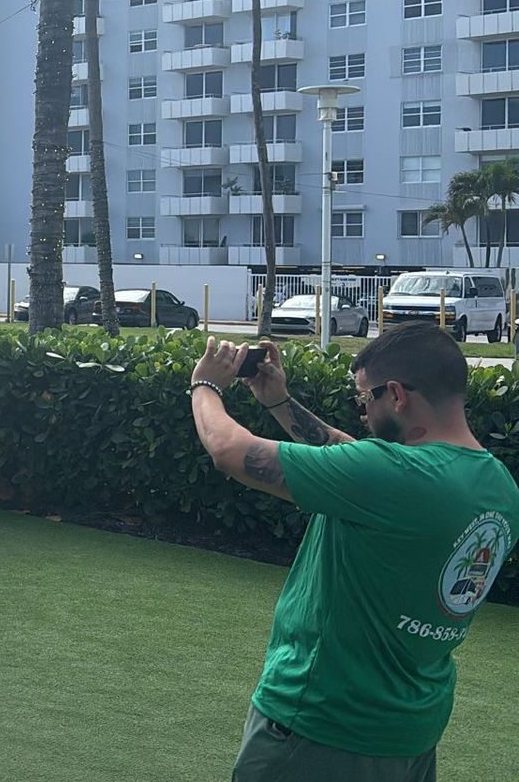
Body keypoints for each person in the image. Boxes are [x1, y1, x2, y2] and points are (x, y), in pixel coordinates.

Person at [188, 324, 519, 780]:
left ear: (397, 395)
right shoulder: (499, 488)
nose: (362, 413)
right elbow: (354, 460)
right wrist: (279, 403)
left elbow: (229, 450)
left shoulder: (391, 475)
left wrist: (204, 385)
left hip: (321, 728)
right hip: (410, 734)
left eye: (365, 399)